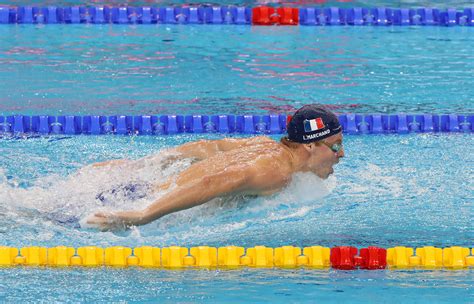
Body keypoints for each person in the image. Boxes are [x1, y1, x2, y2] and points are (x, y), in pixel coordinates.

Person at [86, 105, 345, 231]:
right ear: (310, 145)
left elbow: (208, 147)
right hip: (140, 201)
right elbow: (214, 182)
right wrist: (142, 215)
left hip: (137, 189)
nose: (341, 155)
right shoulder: (276, 173)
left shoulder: (264, 145)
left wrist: (140, 165)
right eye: (335, 146)